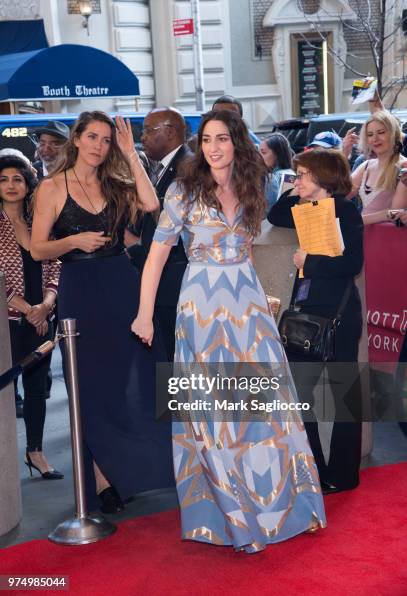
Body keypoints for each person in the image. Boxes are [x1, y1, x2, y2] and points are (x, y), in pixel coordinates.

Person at [132, 109, 326, 553]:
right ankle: (234, 516)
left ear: (236, 142)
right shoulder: (183, 191)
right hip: (202, 305)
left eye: (222, 138)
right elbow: (157, 258)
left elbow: (248, 252)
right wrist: (144, 315)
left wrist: (263, 298)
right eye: (206, 140)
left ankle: (285, 505)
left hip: (248, 303)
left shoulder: (251, 186)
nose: (214, 147)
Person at [30, 111, 174, 513]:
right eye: (92, 137)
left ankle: (145, 467)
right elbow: (38, 248)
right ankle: (100, 478)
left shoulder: (115, 182)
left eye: (106, 140)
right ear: (76, 139)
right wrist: (73, 239)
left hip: (122, 285)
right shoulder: (51, 188)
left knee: (139, 378)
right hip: (80, 290)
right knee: (90, 385)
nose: (98, 145)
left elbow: (151, 203)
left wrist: (131, 154)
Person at [268, 148, 364, 494]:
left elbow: (352, 263)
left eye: (304, 175)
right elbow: (275, 213)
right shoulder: (303, 207)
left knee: (344, 399)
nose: (297, 180)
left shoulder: (347, 211)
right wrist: (296, 191)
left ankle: (342, 474)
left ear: (323, 178)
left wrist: (311, 260)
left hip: (339, 315)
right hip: (305, 315)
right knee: (299, 397)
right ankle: (314, 470)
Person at [0, 155, 62, 479]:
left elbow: (54, 263)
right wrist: (29, 309)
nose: (11, 185)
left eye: (17, 179)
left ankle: (35, 453)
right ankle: (5, 462)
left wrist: (47, 304)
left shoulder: (38, 219)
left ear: (27, 183)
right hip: (8, 321)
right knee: (6, 393)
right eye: (4, 179)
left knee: (37, 389)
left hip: (42, 316)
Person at [127, 107, 192, 361]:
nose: (142, 136)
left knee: (176, 356)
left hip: (174, 278)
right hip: (162, 278)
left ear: (171, 131)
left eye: (148, 130)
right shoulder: (162, 167)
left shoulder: (188, 167)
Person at [350, 110, 407, 224]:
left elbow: (395, 213)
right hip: (363, 237)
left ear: (393, 134)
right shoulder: (366, 166)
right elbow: (340, 195)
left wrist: (358, 221)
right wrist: (344, 153)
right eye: (370, 135)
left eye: (381, 132)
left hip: (389, 239)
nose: (375, 139)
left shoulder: (404, 167)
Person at [259, 133, 294, 213]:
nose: (258, 156)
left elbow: (285, 209)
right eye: (259, 152)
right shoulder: (288, 173)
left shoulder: (286, 176)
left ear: (278, 154)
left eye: (263, 152)